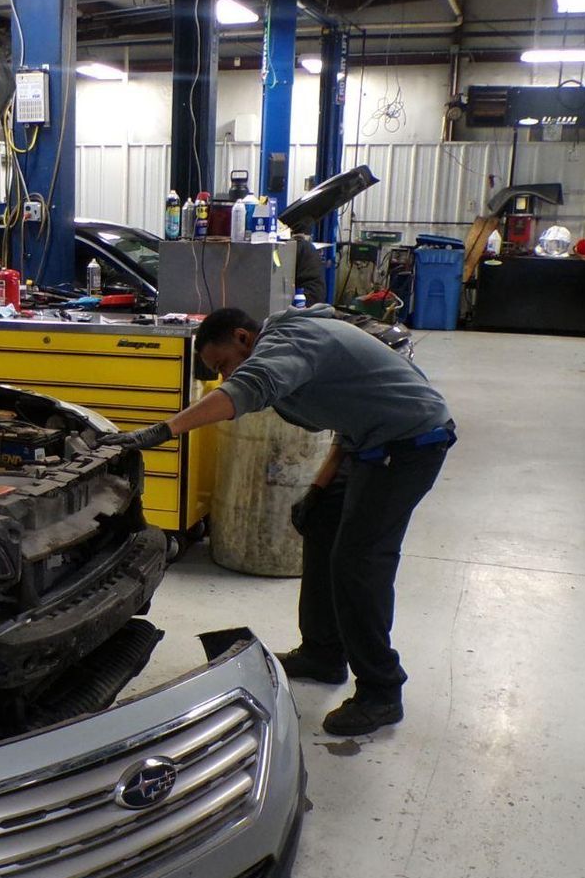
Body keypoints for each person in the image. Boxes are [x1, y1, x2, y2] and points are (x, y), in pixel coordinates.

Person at [105, 304, 454, 735]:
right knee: (322, 526)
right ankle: (323, 654)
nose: (225, 377)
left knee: (358, 565)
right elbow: (346, 422)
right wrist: (320, 490)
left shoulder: (288, 342)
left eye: (223, 364)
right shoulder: (292, 345)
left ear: (243, 338)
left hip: (409, 443)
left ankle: (382, 691)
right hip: (369, 442)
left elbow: (251, 386)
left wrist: (161, 431)